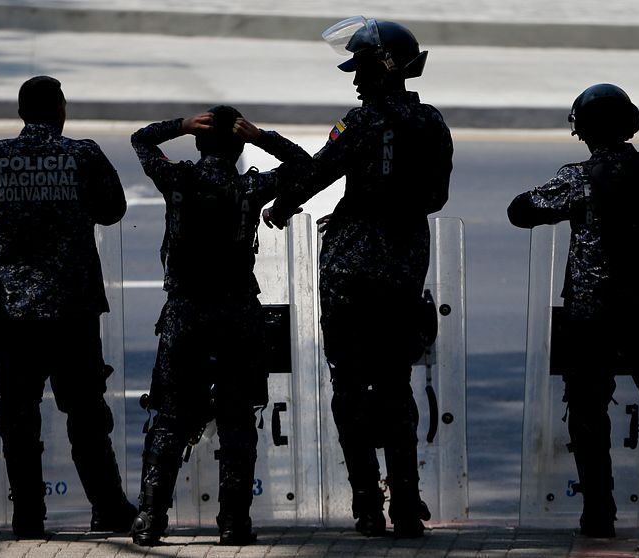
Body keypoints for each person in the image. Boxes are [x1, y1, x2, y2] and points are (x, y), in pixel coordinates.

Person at [263, 16, 452, 538]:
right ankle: (408, 505)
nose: (354, 80)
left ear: (386, 68)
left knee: (348, 386)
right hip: (402, 273)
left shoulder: (360, 122)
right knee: (396, 386)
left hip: (348, 273)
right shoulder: (433, 123)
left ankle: (368, 505)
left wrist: (282, 204)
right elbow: (437, 196)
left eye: (362, 68)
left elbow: (318, 169)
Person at [507, 83, 639, 538]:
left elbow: (520, 210)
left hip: (591, 317)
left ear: (585, 131)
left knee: (589, 413)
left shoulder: (578, 176)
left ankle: (598, 513)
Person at [129, 106, 309, 546]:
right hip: (237, 314)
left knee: (171, 418)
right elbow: (305, 165)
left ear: (198, 142)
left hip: (186, 313)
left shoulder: (178, 179)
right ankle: (234, 523)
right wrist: (261, 136)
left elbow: (141, 140)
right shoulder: (250, 187)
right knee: (236, 421)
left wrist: (180, 125)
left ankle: (151, 519)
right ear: (239, 145)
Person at [0, 75, 134, 538]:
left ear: (22, 113)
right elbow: (113, 209)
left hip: (10, 307)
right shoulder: (83, 154)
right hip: (71, 307)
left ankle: (29, 517)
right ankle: (110, 508)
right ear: (59, 110)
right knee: (85, 411)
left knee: (18, 411)